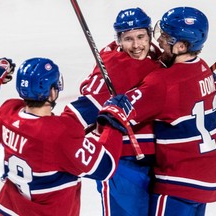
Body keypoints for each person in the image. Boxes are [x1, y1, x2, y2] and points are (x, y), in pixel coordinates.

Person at [0, 57, 135, 216]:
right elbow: (105, 167)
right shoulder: (59, 133)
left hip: (5, 211)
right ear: (52, 92)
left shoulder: (8, 112)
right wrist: (114, 122)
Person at [123, 7, 216, 215]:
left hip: (179, 181)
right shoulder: (204, 69)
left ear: (181, 46)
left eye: (166, 37)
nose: (160, 40)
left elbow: (123, 112)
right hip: (209, 174)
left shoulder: (163, 83)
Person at [68, 7, 164, 216]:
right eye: (128, 39)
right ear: (119, 40)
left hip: (159, 161)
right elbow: (85, 108)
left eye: (141, 36)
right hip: (123, 163)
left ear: (149, 35)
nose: (137, 45)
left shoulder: (160, 60)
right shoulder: (114, 66)